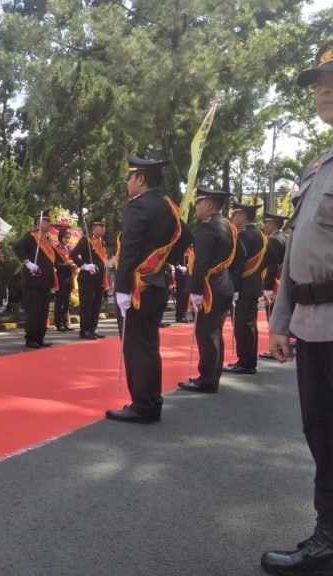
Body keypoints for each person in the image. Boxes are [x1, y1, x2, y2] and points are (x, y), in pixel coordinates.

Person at [261, 40, 333, 575]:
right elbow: (295, 255)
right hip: (313, 324)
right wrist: (281, 322)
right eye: (319, 79)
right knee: (321, 432)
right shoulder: (320, 166)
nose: (324, 88)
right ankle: (328, 535)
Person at [106, 155, 185, 424]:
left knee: (136, 347)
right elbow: (186, 236)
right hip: (158, 283)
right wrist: (164, 262)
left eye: (130, 177)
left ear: (140, 179)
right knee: (149, 346)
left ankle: (142, 406)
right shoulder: (167, 206)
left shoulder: (137, 207)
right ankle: (152, 401)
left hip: (138, 288)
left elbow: (128, 251)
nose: (128, 182)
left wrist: (122, 288)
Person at [177, 188, 237, 393]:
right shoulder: (229, 226)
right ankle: (212, 377)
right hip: (224, 285)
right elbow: (241, 255)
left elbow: (201, 262)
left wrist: (194, 290)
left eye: (199, 203)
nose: (197, 207)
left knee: (206, 334)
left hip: (210, 287)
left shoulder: (207, 228)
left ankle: (206, 380)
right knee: (215, 334)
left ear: (210, 205)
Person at [223, 201, 267, 375]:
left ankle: (245, 362)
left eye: (234, 215)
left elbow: (238, 262)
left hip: (242, 287)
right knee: (249, 325)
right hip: (253, 285)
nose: (232, 218)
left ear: (242, 216)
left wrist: (233, 286)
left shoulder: (243, 236)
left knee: (242, 326)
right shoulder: (259, 234)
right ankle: (249, 361)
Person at [13, 210, 56, 349]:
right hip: (33, 281)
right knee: (33, 312)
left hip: (45, 282)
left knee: (43, 312)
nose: (50, 224)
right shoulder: (31, 237)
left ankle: (39, 337)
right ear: (39, 222)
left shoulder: (46, 238)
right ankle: (31, 338)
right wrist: (27, 262)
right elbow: (17, 247)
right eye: (47, 221)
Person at [71, 216, 109, 339]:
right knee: (87, 305)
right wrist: (84, 266)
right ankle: (85, 330)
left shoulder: (101, 241)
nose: (104, 229)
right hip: (87, 279)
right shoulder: (86, 240)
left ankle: (93, 328)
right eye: (101, 226)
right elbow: (73, 254)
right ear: (93, 228)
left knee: (96, 305)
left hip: (98, 280)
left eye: (104, 226)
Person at [258, 211, 288, 360]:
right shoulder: (284, 238)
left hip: (275, 283)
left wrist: (268, 287)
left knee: (273, 317)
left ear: (273, 224)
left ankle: (276, 349)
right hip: (283, 283)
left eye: (267, 223)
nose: (265, 226)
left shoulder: (275, 240)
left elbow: (272, 265)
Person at [53, 227, 78, 332]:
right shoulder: (56, 250)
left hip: (69, 278)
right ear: (60, 237)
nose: (67, 239)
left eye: (68, 237)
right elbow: (56, 264)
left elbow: (74, 261)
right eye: (65, 237)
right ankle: (58, 323)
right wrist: (69, 266)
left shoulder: (70, 249)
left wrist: (75, 265)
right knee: (60, 302)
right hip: (61, 278)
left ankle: (65, 322)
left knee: (67, 302)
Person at [174, 245, 194, 323]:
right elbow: (175, 261)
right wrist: (179, 266)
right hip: (181, 274)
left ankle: (183, 315)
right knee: (181, 295)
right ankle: (180, 316)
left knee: (186, 295)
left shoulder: (190, 250)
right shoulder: (179, 249)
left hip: (188, 274)